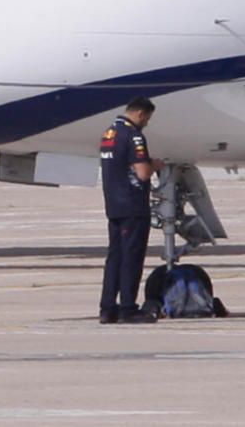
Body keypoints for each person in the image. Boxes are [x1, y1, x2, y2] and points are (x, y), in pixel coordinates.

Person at [98, 97, 165, 325]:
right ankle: (128, 307)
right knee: (131, 258)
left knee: (114, 257)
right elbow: (142, 172)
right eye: (147, 118)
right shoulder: (134, 136)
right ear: (141, 114)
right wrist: (155, 164)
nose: (146, 123)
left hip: (114, 204)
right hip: (133, 205)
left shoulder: (110, 133)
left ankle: (107, 308)